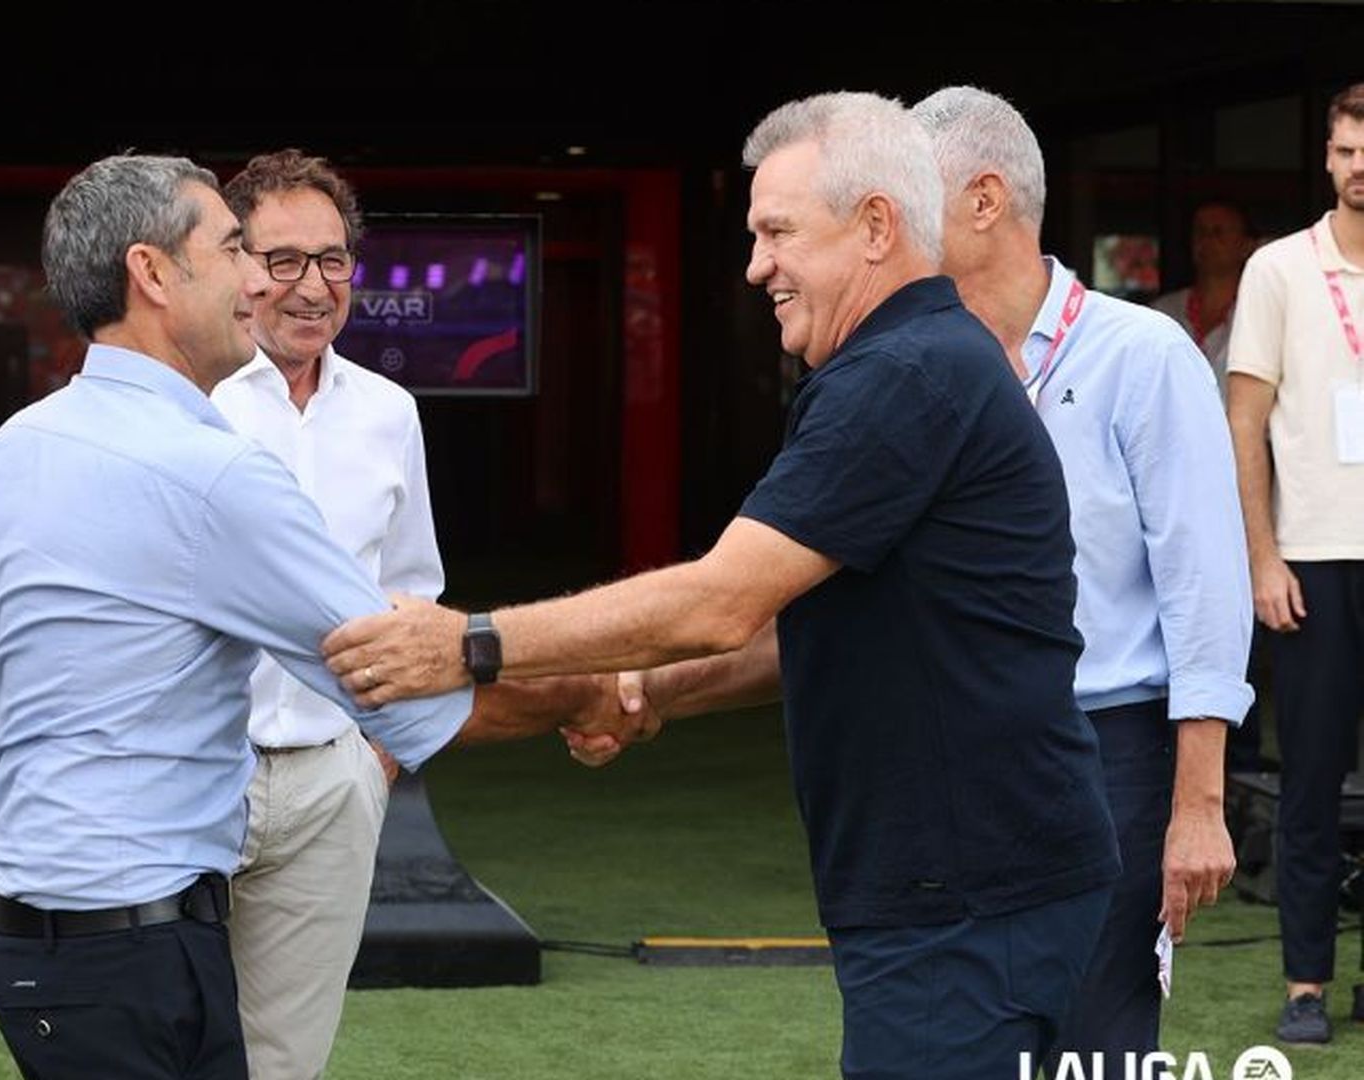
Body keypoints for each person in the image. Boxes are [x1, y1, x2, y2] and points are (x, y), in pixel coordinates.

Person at [322, 92, 1119, 1080]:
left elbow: (721, 600)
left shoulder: (903, 377)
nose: (755, 266)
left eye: (778, 231)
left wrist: (467, 644)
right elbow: (815, 632)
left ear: (876, 226)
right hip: (968, 884)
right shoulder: (910, 363)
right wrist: (652, 690)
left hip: (962, 896)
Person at [0, 154, 626, 1080]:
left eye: (323, 260)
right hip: (136, 941)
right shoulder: (210, 467)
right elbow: (399, 677)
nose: (260, 281)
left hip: (24, 935)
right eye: (238, 250)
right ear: (152, 273)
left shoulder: (4, 453)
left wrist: (78, 810)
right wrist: (586, 691)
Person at [912, 85, 1251, 1064]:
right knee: (964, 1032)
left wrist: (1198, 806)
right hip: (958, 746)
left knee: (1097, 1042)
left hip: (1111, 752)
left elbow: (1204, 587)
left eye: (911, 190)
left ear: (984, 199)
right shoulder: (922, 362)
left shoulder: (1141, 355)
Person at [208, 149, 438, 1080]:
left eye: (332, 259)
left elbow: (413, 590)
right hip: (192, 772)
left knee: (286, 1060)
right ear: (234, 267)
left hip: (334, 784)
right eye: (283, 260)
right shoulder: (190, 400)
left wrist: (375, 761)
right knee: (163, 1039)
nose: (312, 286)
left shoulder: (389, 412)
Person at [1226, 80, 1364, 1046]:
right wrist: (1261, 555)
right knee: (1311, 784)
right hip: (1311, 563)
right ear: (1328, 156)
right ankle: (1306, 984)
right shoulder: (1278, 269)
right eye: (1351, 149)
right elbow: (1242, 423)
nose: (1363, 167)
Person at [1152, 201, 1258, 396]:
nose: (1207, 240)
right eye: (1200, 232)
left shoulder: (1261, 314)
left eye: (1218, 232)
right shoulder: (1162, 312)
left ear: (1246, 246)